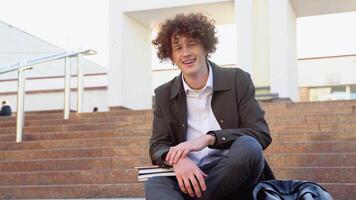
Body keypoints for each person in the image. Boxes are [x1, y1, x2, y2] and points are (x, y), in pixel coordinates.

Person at [145, 13, 275, 200]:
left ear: (205, 47)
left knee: (249, 146)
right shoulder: (164, 94)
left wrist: (209, 138)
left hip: (232, 171)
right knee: (155, 183)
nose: (186, 53)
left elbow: (260, 134)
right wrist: (179, 160)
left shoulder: (237, 79)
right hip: (189, 174)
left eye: (192, 44)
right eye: (178, 48)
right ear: (171, 56)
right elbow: (158, 145)